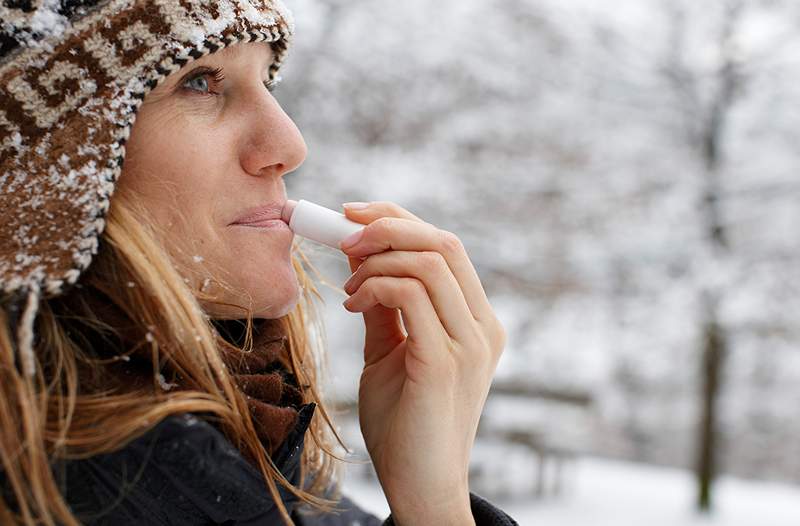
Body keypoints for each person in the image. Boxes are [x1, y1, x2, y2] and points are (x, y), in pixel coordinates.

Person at [0, 1, 515, 525]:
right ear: (48, 171)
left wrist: (433, 505)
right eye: (199, 82)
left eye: (269, 81)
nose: (289, 145)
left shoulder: (268, 464)